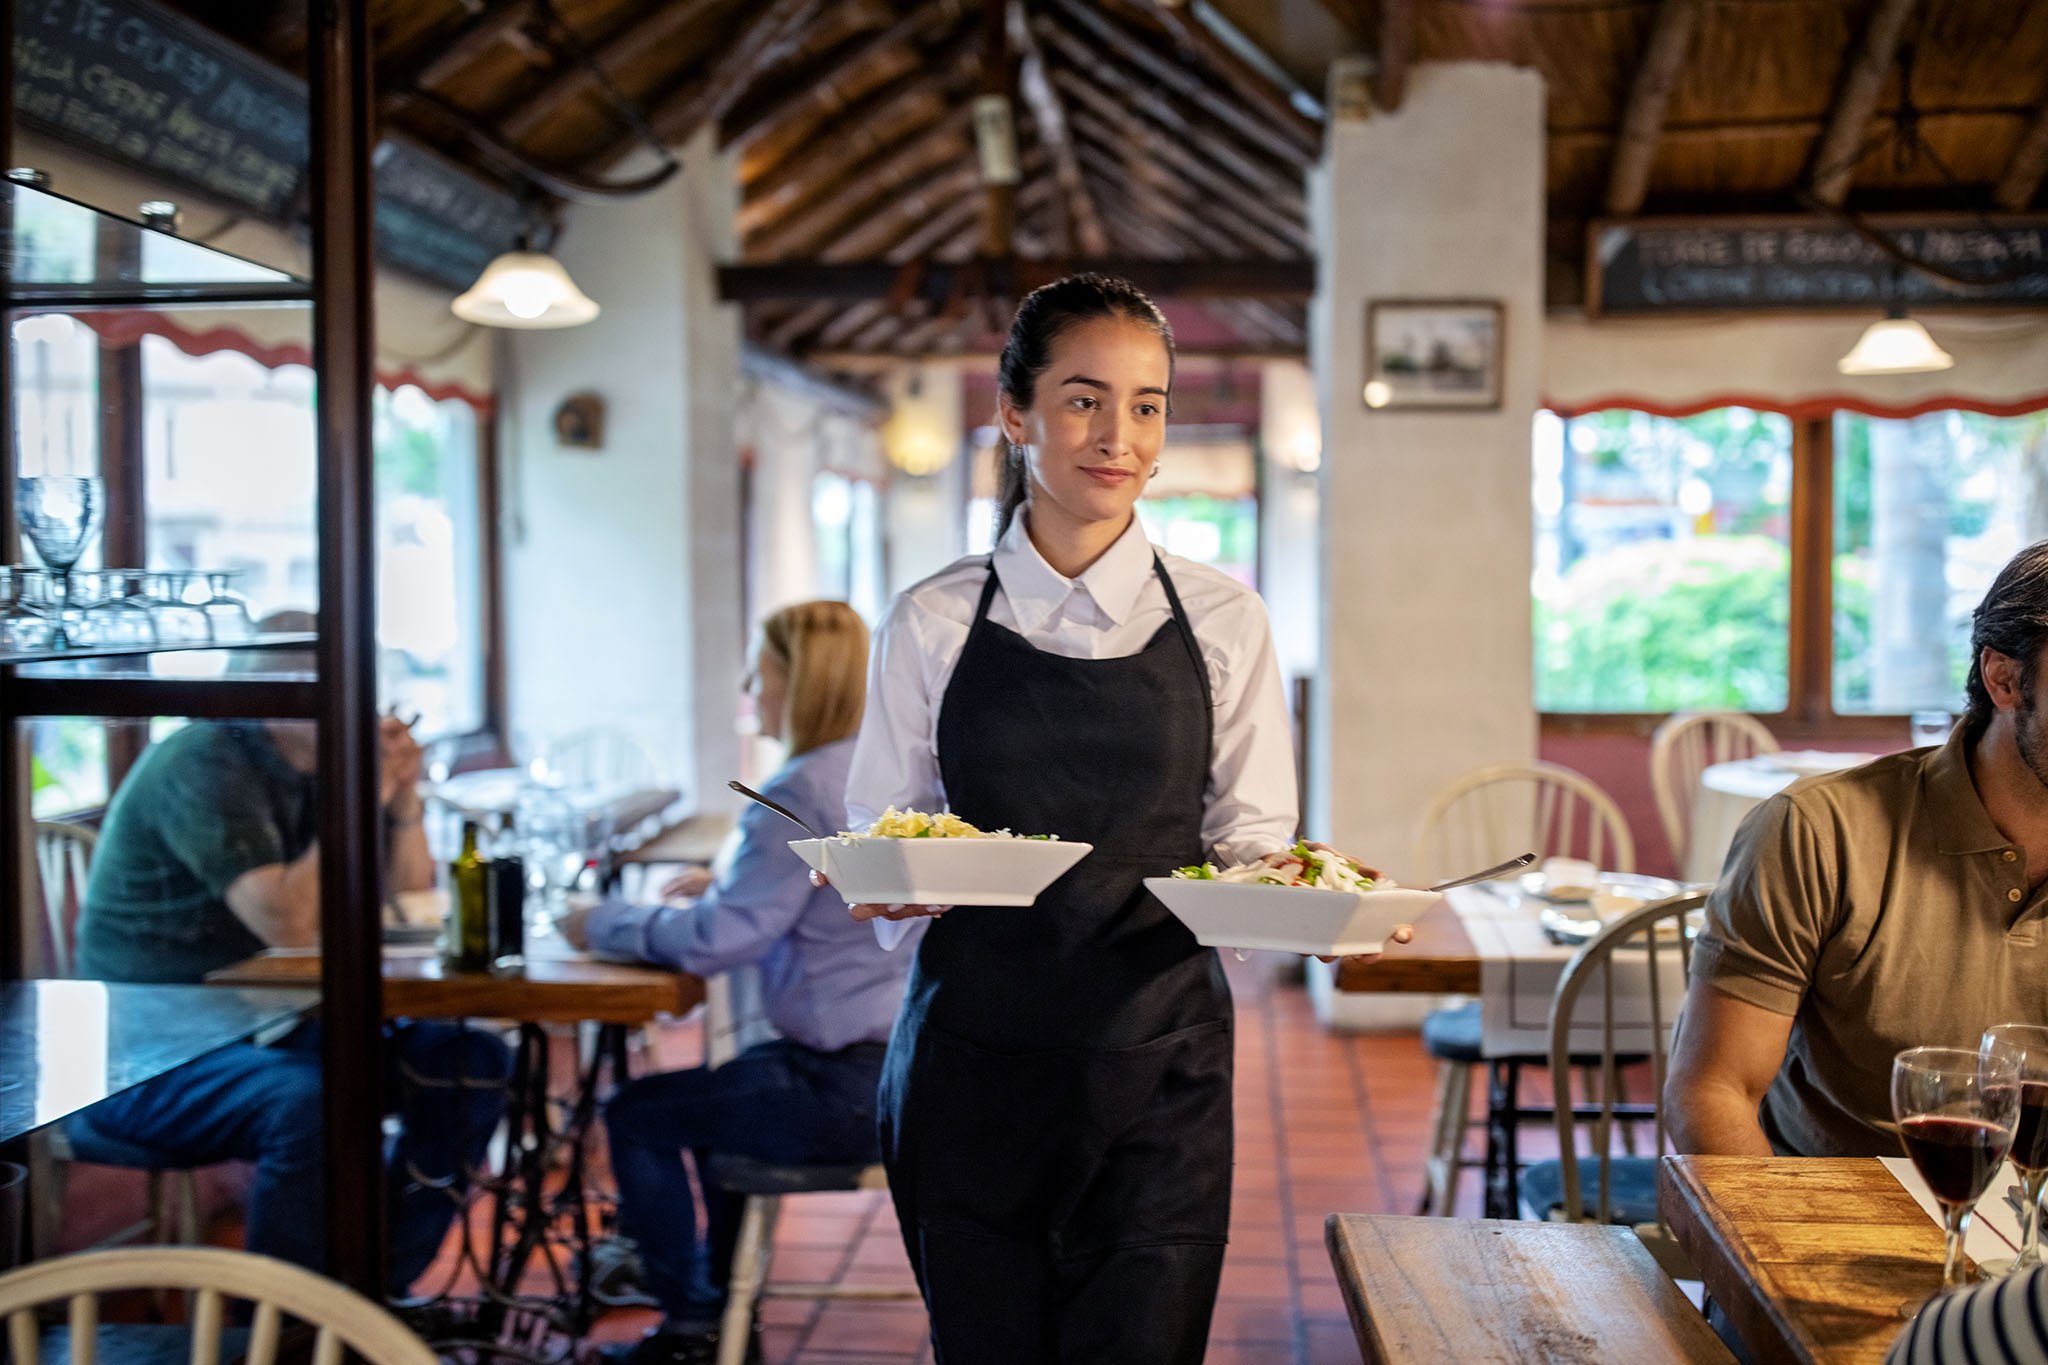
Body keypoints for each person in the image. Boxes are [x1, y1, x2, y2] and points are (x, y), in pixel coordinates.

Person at [842, 275, 1386, 1363]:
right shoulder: (935, 619)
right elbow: (885, 829)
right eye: (1084, 399)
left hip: (1159, 1069)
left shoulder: (1225, 619)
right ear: (1014, 413)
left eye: (1146, 405)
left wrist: (1316, 912)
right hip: (971, 1065)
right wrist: (884, 880)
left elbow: (1249, 849)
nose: (1120, 436)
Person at [68, 614, 509, 1291]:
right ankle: (279, 1329)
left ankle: (371, 1290)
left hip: (264, 1022)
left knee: (471, 1063)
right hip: (143, 1050)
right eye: (341, 686)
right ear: (278, 697)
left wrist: (402, 794)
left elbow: (411, 893)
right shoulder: (203, 761)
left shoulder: (317, 763)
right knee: (310, 1104)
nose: (362, 704)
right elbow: (289, 924)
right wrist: (359, 786)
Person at [559, 600, 918, 1365]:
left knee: (637, 1112)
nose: (750, 686)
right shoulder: (888, 774)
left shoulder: (795, 787)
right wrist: (726, 880)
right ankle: (719, 1315)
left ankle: (690, 1323)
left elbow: (723, 939)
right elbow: (788, 899)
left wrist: (600, 922)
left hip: (841, 1088)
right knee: (726, 1093)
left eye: (762, 669)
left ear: (802, 680)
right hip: (906, 1074)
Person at [1667, 541, 2048, 1159]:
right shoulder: (1817, 833)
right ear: (2003, 678)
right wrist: (1775, 1245)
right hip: (1839, 1222)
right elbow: (1714, 1091)